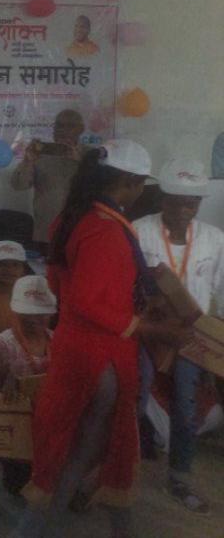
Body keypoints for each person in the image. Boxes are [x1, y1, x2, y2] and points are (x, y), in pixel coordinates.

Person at [15, 140, 186, 538]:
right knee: (84, 449)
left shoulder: (73, 217)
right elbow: (89, 301)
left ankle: (57, 524)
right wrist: (150, 328)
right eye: (142, 184)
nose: (142, 192)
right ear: (129, 181)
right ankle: (38, 529)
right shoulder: (105, 229)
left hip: (77, 344)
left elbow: (60, 285)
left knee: (83, 444)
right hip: (101, 355)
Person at [133, 158, 224, 515]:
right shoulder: (139, 231)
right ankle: (116, 475)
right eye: (177, 202)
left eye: (193, 203)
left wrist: (215, 346)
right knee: (135, 399)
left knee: (186, 408)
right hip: (149, 332)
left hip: (191, 336)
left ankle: (179, 478)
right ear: (163, 199)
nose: (185, 210)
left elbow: (220, 294)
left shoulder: (215, 239)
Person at [10, 109, 86, 248]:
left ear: (81, 129)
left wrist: (80, 161)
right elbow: (18, 185)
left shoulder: (91, 155)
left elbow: (102, 188)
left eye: (70, 126)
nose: (63, 130)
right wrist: (28, 161)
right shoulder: (41, 155)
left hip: (80, 233)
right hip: (46, 234)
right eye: (59, 125)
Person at [0, 274, 55, 399]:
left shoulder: (59, 341)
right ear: (15, 311)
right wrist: (2, 392)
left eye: (40, 313)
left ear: (51, 314)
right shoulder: (0, 346)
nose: (33, 319)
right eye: (26, 313)